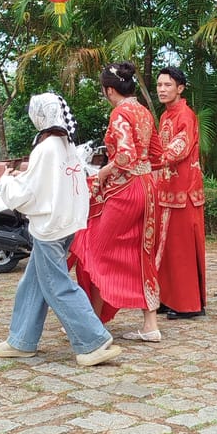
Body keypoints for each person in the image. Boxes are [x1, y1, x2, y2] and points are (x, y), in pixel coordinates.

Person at [0, 92, 122, 367]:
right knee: (34, 282)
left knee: (57, 284)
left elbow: (29, 193)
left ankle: (92, 342)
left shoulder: (45, 147)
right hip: (66, 221)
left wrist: (6, 181)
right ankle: (21, 339)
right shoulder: (66, 144)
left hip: (50, 226)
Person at [70, 61, 163, 343]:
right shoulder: (144, 113)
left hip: (126, 191)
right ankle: (150, 324)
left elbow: (124, 157)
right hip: (148, 189)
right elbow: (157, 154)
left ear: (110, 90)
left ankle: (93, 323)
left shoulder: (120, 114)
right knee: (143, 254)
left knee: (94, 249)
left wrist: (103, 172)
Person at [155, 67, 206, 319]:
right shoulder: (165, 116)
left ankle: (189, 305)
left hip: (184, 191)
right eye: (159, 85)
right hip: (167, 189)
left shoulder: (185, 115)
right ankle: (168, 297)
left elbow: (179, 149)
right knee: (166, 248)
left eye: (167, 85)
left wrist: (152, 160)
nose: (162, 89)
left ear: (180, 88)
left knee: (183, 249)